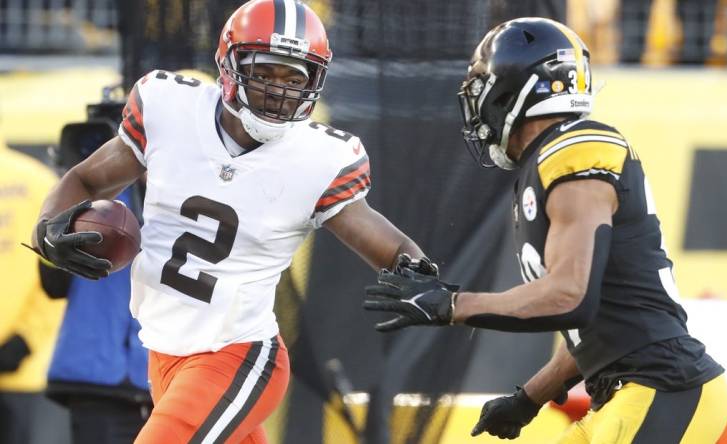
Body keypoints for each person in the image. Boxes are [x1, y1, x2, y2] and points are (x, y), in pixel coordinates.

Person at [28, 1, 432, 443]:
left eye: (295, 77)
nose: (280, 91)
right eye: (266, 72)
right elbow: (86, 178)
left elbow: (381, 239)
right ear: (229, 64)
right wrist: (48, 226)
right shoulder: (169, 108)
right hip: (165, 355)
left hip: (238, 355)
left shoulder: (320, 159)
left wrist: (416, 273)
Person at [363, 18, 727, 443]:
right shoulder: (550, 163)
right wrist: (529, 398)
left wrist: (452, 304)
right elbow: (594, 331)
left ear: (512, 89)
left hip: (662, 384)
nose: (477, 103)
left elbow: (568, 296)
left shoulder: (575, 151)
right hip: (629, 389)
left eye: (483, 86)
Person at [42, 104, 152, 444]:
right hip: (95, 376)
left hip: (167, 375)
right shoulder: (98, 205)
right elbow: (53, 284)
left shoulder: (201, 205)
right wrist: (61, 217)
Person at [0, 136, 66, 444]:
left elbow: (55, 276)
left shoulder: (38, 183)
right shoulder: (42, 181)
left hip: (22, 372)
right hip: (23, 365)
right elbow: (58, 274)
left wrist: (25, 341)